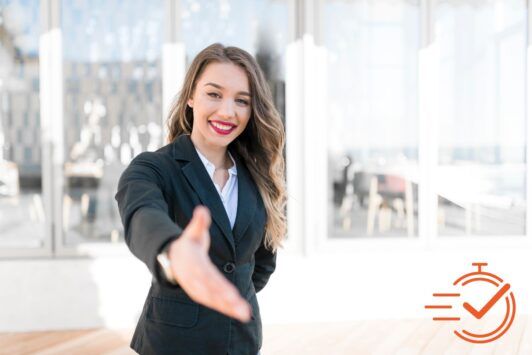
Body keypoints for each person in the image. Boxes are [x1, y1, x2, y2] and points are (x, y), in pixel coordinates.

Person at [115, 43, 286, 355]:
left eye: (242, 101)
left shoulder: (259, 176)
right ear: (191, 96)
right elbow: (142, 214)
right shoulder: (154, 167)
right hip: (173, 344)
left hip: (242, 342)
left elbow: (260, 264)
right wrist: (173, 253)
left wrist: (231, 291)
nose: (227, 111)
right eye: (214, 94)